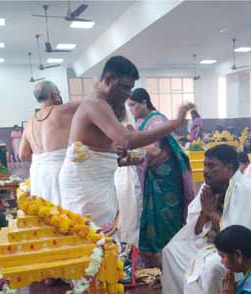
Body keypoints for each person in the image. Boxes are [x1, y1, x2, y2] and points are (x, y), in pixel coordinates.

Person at [60, 56, 192, 235]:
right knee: (92, 239)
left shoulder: (104, 105)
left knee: (103, 237)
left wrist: (118, 158)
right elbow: (127, 140)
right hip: (85, 185)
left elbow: (101, 149)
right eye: (124, 87)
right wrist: (174, 123)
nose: (128, 94)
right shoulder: (95, 104)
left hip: (97, 182)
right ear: (107, 80)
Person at [162, 145, 251, 294]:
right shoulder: (208, 187)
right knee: (172, 250)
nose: (206, 171)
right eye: (204, 165)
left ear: (229, 168)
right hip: (214, 243)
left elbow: (239, 238)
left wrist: (211, 213)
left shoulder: (245, 190)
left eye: (211, 166)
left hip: (242, 255)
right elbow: (196, 229)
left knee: (213, 267)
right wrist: (204, 213)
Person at [125, 88, 196, 265]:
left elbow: (155, 151)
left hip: (166, 182)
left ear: (144, 103)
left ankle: (172, 263)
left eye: (133, 104)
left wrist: (132, 140)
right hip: (156, 178)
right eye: (129, 105)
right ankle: (159, 264)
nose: (131, 108)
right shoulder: (144, 122)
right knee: (155, 220)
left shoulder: (156, 121)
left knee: (167, 220)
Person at [19, 80, 80, 205]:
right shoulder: (64, 110)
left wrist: (44, 158)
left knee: (46, 215)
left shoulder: (29, 122)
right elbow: (92, 103)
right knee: (67, 216)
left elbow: (23, 155)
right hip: (61, 170)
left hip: (38, 174)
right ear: (54, 94)